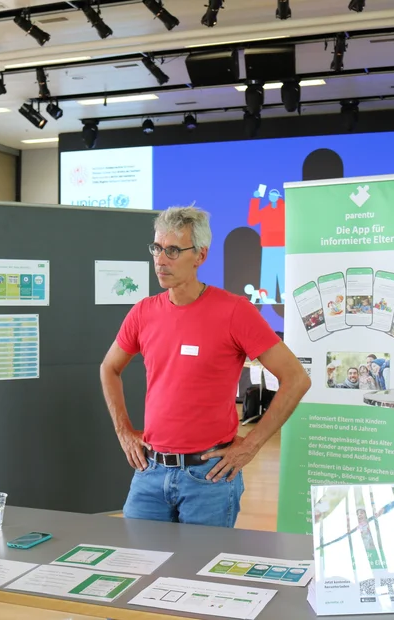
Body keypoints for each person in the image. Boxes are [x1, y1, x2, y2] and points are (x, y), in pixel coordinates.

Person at [100, 206, 310, 528]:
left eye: (172, 250)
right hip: (150, 474)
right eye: (157, 248)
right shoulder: (143, 312)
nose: (160, 259)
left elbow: (296, 379)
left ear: (200, 256)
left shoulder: (234, 312)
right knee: (139, 569)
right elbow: (109, 368)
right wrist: (124, 433)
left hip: (209, 477)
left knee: (201, 576)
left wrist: (251, 446)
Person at [247, 187, 285, 304]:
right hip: (268, 246)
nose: (272, 197)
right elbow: (252, 220)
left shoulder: (285, 209)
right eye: (271, 195)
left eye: (275, 195)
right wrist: (256, 199)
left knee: (282, 271)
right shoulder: (266, 210)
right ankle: (267, 296)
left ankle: (285, 296)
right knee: (269, 272)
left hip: (282, 245)